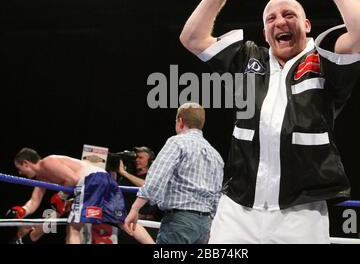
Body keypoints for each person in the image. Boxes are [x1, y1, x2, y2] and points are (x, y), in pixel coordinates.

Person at [179, 0, 360, 243]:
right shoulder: (248, 58)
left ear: (306, 25)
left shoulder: (324, 60)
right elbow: (192, 38)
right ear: (264, 33)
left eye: (289, 15)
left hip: (300, 214)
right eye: (271, 19)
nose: (280, 22)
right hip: (237, 210)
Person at [124, 103, 224, 244]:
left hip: (179, 222)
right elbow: (216, 196)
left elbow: (156, 178)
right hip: (204, 225)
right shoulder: (215, 155)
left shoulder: (177, 143)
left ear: (181, 121)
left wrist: (135, 208)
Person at [10, 147, 154, 244]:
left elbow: (72, 179)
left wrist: (61, 196)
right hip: (105, 180)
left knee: (74, 228)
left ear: (26, 163)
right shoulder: (41, 178)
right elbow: (34, 201)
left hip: (91, 181)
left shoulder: (48, 162)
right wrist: (23, 210)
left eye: (20, 168)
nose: (20, 173)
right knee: (123, 222)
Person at [117, 146, 163, 243]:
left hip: (148, 225)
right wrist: (114, 172)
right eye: (136, 157)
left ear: (150, 161)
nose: (137, 160)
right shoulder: (126, 177)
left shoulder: (154, 177)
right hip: (128, 222)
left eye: (141, 157)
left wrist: (124, 173)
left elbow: (148, 186)